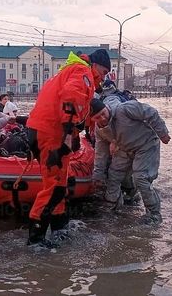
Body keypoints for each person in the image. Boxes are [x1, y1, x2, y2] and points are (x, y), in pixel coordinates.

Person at [25, 49, 110, 247]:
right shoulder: (83, 72)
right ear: (95, 65)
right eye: (104, 72)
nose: (103, 78)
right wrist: (68, 132)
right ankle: (35, 240)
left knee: (61, 182)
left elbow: (70, 102)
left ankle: (59, 227)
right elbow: (71, 98)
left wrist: (73, 134)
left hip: (44, 130)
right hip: (50, 134)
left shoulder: (69, 71)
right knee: (54, 187)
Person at [90, 97, 171, 225]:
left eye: (103, 114)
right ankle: (112, 207)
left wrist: (163, 133)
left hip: (146, 144)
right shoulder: (99, 130)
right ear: (92, 120)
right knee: (113, 176)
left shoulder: (125, 109)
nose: (102, 119)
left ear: (106, 108)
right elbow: (101, 153)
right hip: (124, 149)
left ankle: (154, 214)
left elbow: (150, 113)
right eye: (97, 118)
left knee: (141, 178)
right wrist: (98, 175)